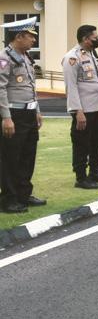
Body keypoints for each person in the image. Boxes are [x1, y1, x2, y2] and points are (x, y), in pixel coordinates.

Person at [0, 17, 45, 213]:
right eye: (30, 36)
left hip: (28, 114)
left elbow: (31, 87)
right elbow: (0, 89)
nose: (33, 40)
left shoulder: (25, 57)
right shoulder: (5, 58)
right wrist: (6, 117)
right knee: (11, 158)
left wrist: (36, 111)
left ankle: (23, 194)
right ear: (19, 37)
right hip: (13, 115)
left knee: (28, 156)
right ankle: (9, 199)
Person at [62, 24, 98, 190]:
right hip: (83, 110)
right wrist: (78, 112)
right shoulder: (72, 58)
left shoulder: (92, 54)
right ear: (85, 39)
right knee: (81, 143)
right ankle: (81, 177)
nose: (97, 40)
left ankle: (95, 171)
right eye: (94, 37)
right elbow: (71, 87)